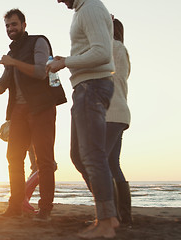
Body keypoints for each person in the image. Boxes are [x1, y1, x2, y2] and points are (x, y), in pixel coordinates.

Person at [0, 9, 66, 221]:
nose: (10, 29)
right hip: (19, 111)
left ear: (23, 24)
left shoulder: (39, 42)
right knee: (13, 157)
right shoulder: (11, 54)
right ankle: (15, 207)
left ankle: (45, 210)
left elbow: (42, 71)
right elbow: (2, 87)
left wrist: (13, 63)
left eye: (14, 24)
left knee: (44, 160)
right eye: (7, 26)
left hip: (41, 107)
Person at [47, 0, 118, 238]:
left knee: (92, 155)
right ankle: (107, 214)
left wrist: (66, 62)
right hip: (84, 87)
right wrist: (68, 59)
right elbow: (90, 50)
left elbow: (102, 52)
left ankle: (107, 222)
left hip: (92, 87)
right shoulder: (82, 10)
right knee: (78, 155)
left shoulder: (91, 8)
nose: (58, 0)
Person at [106, 18, 132, 226]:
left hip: (111, 113)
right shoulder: (121, 50)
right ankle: (124, 215)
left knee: (102, 162)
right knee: (112, 163)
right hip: (119, 114)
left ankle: (113, 214)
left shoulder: (113, 48)